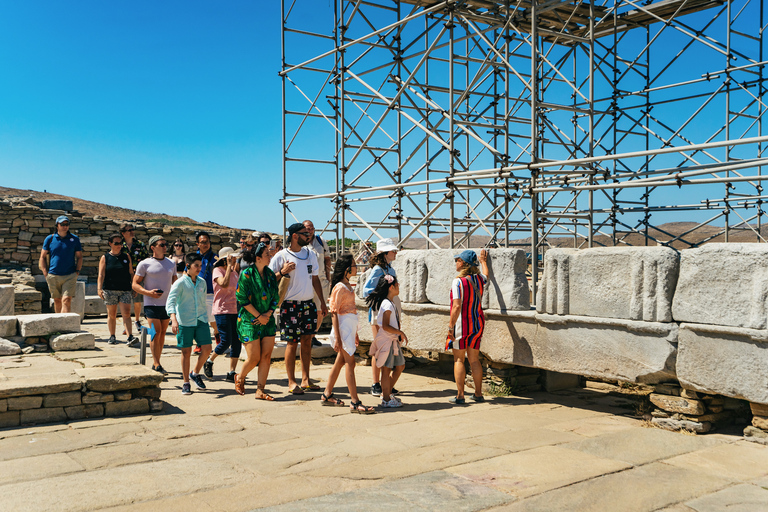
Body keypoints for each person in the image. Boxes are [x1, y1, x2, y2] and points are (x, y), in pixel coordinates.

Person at [269, 223, 328, 394]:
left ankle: (305, 379)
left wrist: (322, 303)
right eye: (305, 233)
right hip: (290, 305)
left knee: (308, 342)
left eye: (309, 233)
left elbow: (315, 279)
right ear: (295, 236)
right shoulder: (281, 256)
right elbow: (269, 278)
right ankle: (291, 381)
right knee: (291, 343)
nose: (309, 235)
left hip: (308, 303)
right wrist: (283, 271)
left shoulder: (311, 254)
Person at [321, 254, 375, 413]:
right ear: (346, 269)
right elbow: (334, 313)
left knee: (340, 362)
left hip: (349, 328)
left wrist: (355, 333)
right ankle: (355, 401)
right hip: (343, 328)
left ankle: (326, 394)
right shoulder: (339, 287)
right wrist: (338, 337)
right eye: (353, 264)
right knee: (350, 363)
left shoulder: (347, 286)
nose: (355, 267)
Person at [234, 242, 279, 400]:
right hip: (249, 320)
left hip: (267, 320)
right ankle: (240, 376)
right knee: (254, 357)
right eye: (267, 254)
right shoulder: (246, 274)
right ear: (258, 258)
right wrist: (259, 316)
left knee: (266, 356)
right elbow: (241, 297)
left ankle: (260, 390)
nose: (270, 256)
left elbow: (275, 296)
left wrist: (267, 314)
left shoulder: (270, 274)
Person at [447, 249, 490, 404]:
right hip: (477, 323)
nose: (456, 263)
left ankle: (460, 395)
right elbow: (486, 275)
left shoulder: (458, 282)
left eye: (457, 260)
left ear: (463, 263)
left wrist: (451, 326)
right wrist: (484, 261)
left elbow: (457, 306)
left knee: (458, 359)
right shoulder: (479, 279)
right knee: (474, 359)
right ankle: (478, 393)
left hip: (461, 325)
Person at [167, 253, 212, 395]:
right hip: (185, 321)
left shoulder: (202, 282)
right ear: (188, 266)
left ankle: (195, 372)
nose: (199, 268)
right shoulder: (179, 283)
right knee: (186, 352)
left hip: (201, 320)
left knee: (207, 348)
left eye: (200, 265)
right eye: (196, 266)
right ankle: (186, 382)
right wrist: (173, 319)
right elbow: (171, 302)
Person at [133, 235, 176, 375]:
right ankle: (156, 364)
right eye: (161, 244)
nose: (165, 246)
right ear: (153, 247)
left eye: (165, 244)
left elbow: (175, 284)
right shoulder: (144, 264)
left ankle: (157, 361)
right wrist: (148, 292)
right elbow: (134, 284)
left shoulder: (171, 263)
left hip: (166, 304)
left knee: (162, 333)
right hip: (150, 303)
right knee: (155, 332)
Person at [362, 238, 398, 397]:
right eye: (393, 250)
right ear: (385, 253)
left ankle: (385, 382)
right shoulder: (378, 270)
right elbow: (366, 291)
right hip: (378, 311)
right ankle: (375, 383)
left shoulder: (391, 269)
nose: (395, 252)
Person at [366, 274, 407, 408]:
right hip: (388, 340)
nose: (398, 286)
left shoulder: (390, 303)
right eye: (396, 285)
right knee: (386, 369)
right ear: (391, 287)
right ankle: (386, 398)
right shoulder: (387, 304)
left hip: (392, 340)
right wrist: (400, 332)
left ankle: (387, 393)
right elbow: (385, 325)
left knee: (400, 366)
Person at [203, 247, 241, 383]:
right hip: (222, 310)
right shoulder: (217, 271)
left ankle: (231, 372)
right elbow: (224, 284)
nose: (236, 259)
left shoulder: (235, 273)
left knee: (237, 341)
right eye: (232, 258)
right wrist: (230, 267)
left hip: (235, 309)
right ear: (226, 259)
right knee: (226, 341)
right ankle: (209, 361)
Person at [97, 233, 136, 346]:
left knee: (126, 313)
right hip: (110, 289)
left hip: (125, 289)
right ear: (110, 244)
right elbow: (101, 274)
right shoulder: (105, 257)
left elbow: (131, 272)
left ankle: (130, 336)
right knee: (112, 314)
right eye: (116, 243)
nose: (119, 245)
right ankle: (112, 335)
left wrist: (134, 286)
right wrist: (99, 288)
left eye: (120, 243)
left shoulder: (126, 256)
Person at [39, 215, 83, 314]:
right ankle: (59, 324)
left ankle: (65, 326)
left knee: (66, 300)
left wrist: (77, 271)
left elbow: (79, 257)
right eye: (62, 224)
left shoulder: (74, 239)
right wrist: (46, 273)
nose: (65, 226)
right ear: (57, 225)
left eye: (67, 224)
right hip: (53, 275)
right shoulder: (50, 239)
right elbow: (42, 256)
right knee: (57, 301)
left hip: (70, 274)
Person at [303, 220, 331, 347]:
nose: (309, 231)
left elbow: (327, 259)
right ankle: (305, 335)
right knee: (305, 309)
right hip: (305, 280)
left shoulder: (320, 241)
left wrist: (329, 277)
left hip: (321, 279)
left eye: (311, 228)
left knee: (320, 310)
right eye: (307, 229)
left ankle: (313, 335)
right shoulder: (300, 242)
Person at [121, 223, 149, 332]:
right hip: (124, 276)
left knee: (137, 300)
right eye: (129, 230)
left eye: (132, 229)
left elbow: (146, 260)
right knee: (125, 300)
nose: (132, 232)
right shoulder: (120, 245)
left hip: (138, 276)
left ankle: (137, 320)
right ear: (123, 233)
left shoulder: (140, 244)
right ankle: (126, 324)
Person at [196, 232, 219, 349]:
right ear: (197, 244)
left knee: (213, 319)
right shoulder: (193, 257)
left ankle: (217, 335)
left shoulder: (215, 258)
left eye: (207, 242)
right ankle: (200, 343)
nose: (206, 244)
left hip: (210, 293)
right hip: (196, 294)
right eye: (203, 242)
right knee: (199, 320)